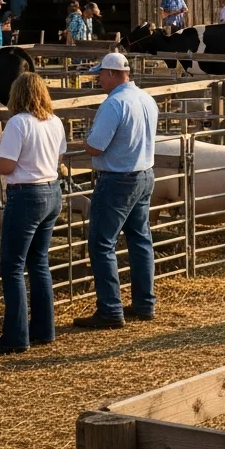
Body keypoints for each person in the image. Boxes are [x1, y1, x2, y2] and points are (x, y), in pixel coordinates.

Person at [0, 73, 67, 355]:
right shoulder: (55, 122)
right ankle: (44, 329)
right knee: (38, 262)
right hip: (51, 191)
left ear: (17, 95)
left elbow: (6, 165)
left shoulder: (18, 123)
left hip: (26, 194)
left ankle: (16, 336)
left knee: (12, 265)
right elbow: (59, 157)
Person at [76, 53, 159, 328]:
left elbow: (96, 146)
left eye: (100, 74)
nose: (98, 79)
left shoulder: (114, 104)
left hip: (117, 179)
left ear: (112, 74)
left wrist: (83, 143)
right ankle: (144, 303)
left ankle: (110, 309)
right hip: (145, 173)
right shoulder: (146, 98)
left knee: (102, 243)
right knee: (140, 239)